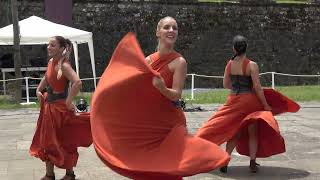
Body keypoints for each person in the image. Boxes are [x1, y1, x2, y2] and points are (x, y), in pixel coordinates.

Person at [90, 17, 230, 180]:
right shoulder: (147, 61)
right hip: (149, 125)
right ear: (158, 32)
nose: (171, 30)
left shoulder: (179, 62)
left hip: (169, 125)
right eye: (167, 27)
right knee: (148, 167)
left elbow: (176, 94)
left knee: (168, 168)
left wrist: (162, 88)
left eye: (175, 28)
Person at [196, 35, 299, 173]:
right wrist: (266, 104)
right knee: (253, 132)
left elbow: (226, 84)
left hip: (233, 100)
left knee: (234, 132)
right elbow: (257, 87)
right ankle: (252, 163)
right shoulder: (252, 65)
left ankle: (225, 160)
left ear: (233, 48)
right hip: (250, 102)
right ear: (246, 48)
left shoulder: (229, 64)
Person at [29, 36, 92, 180]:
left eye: (52, 45)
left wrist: (69, 102)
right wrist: (39, 89)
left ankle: (69, 174)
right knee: (47, 141)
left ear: (62, 48)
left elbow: (77, 83)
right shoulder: (52, 62)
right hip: (49, 108)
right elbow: (47, 77)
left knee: (65, 141)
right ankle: (49, 175)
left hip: (60, 109)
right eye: (48, 45)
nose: (48, 47)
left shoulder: (64, 65)